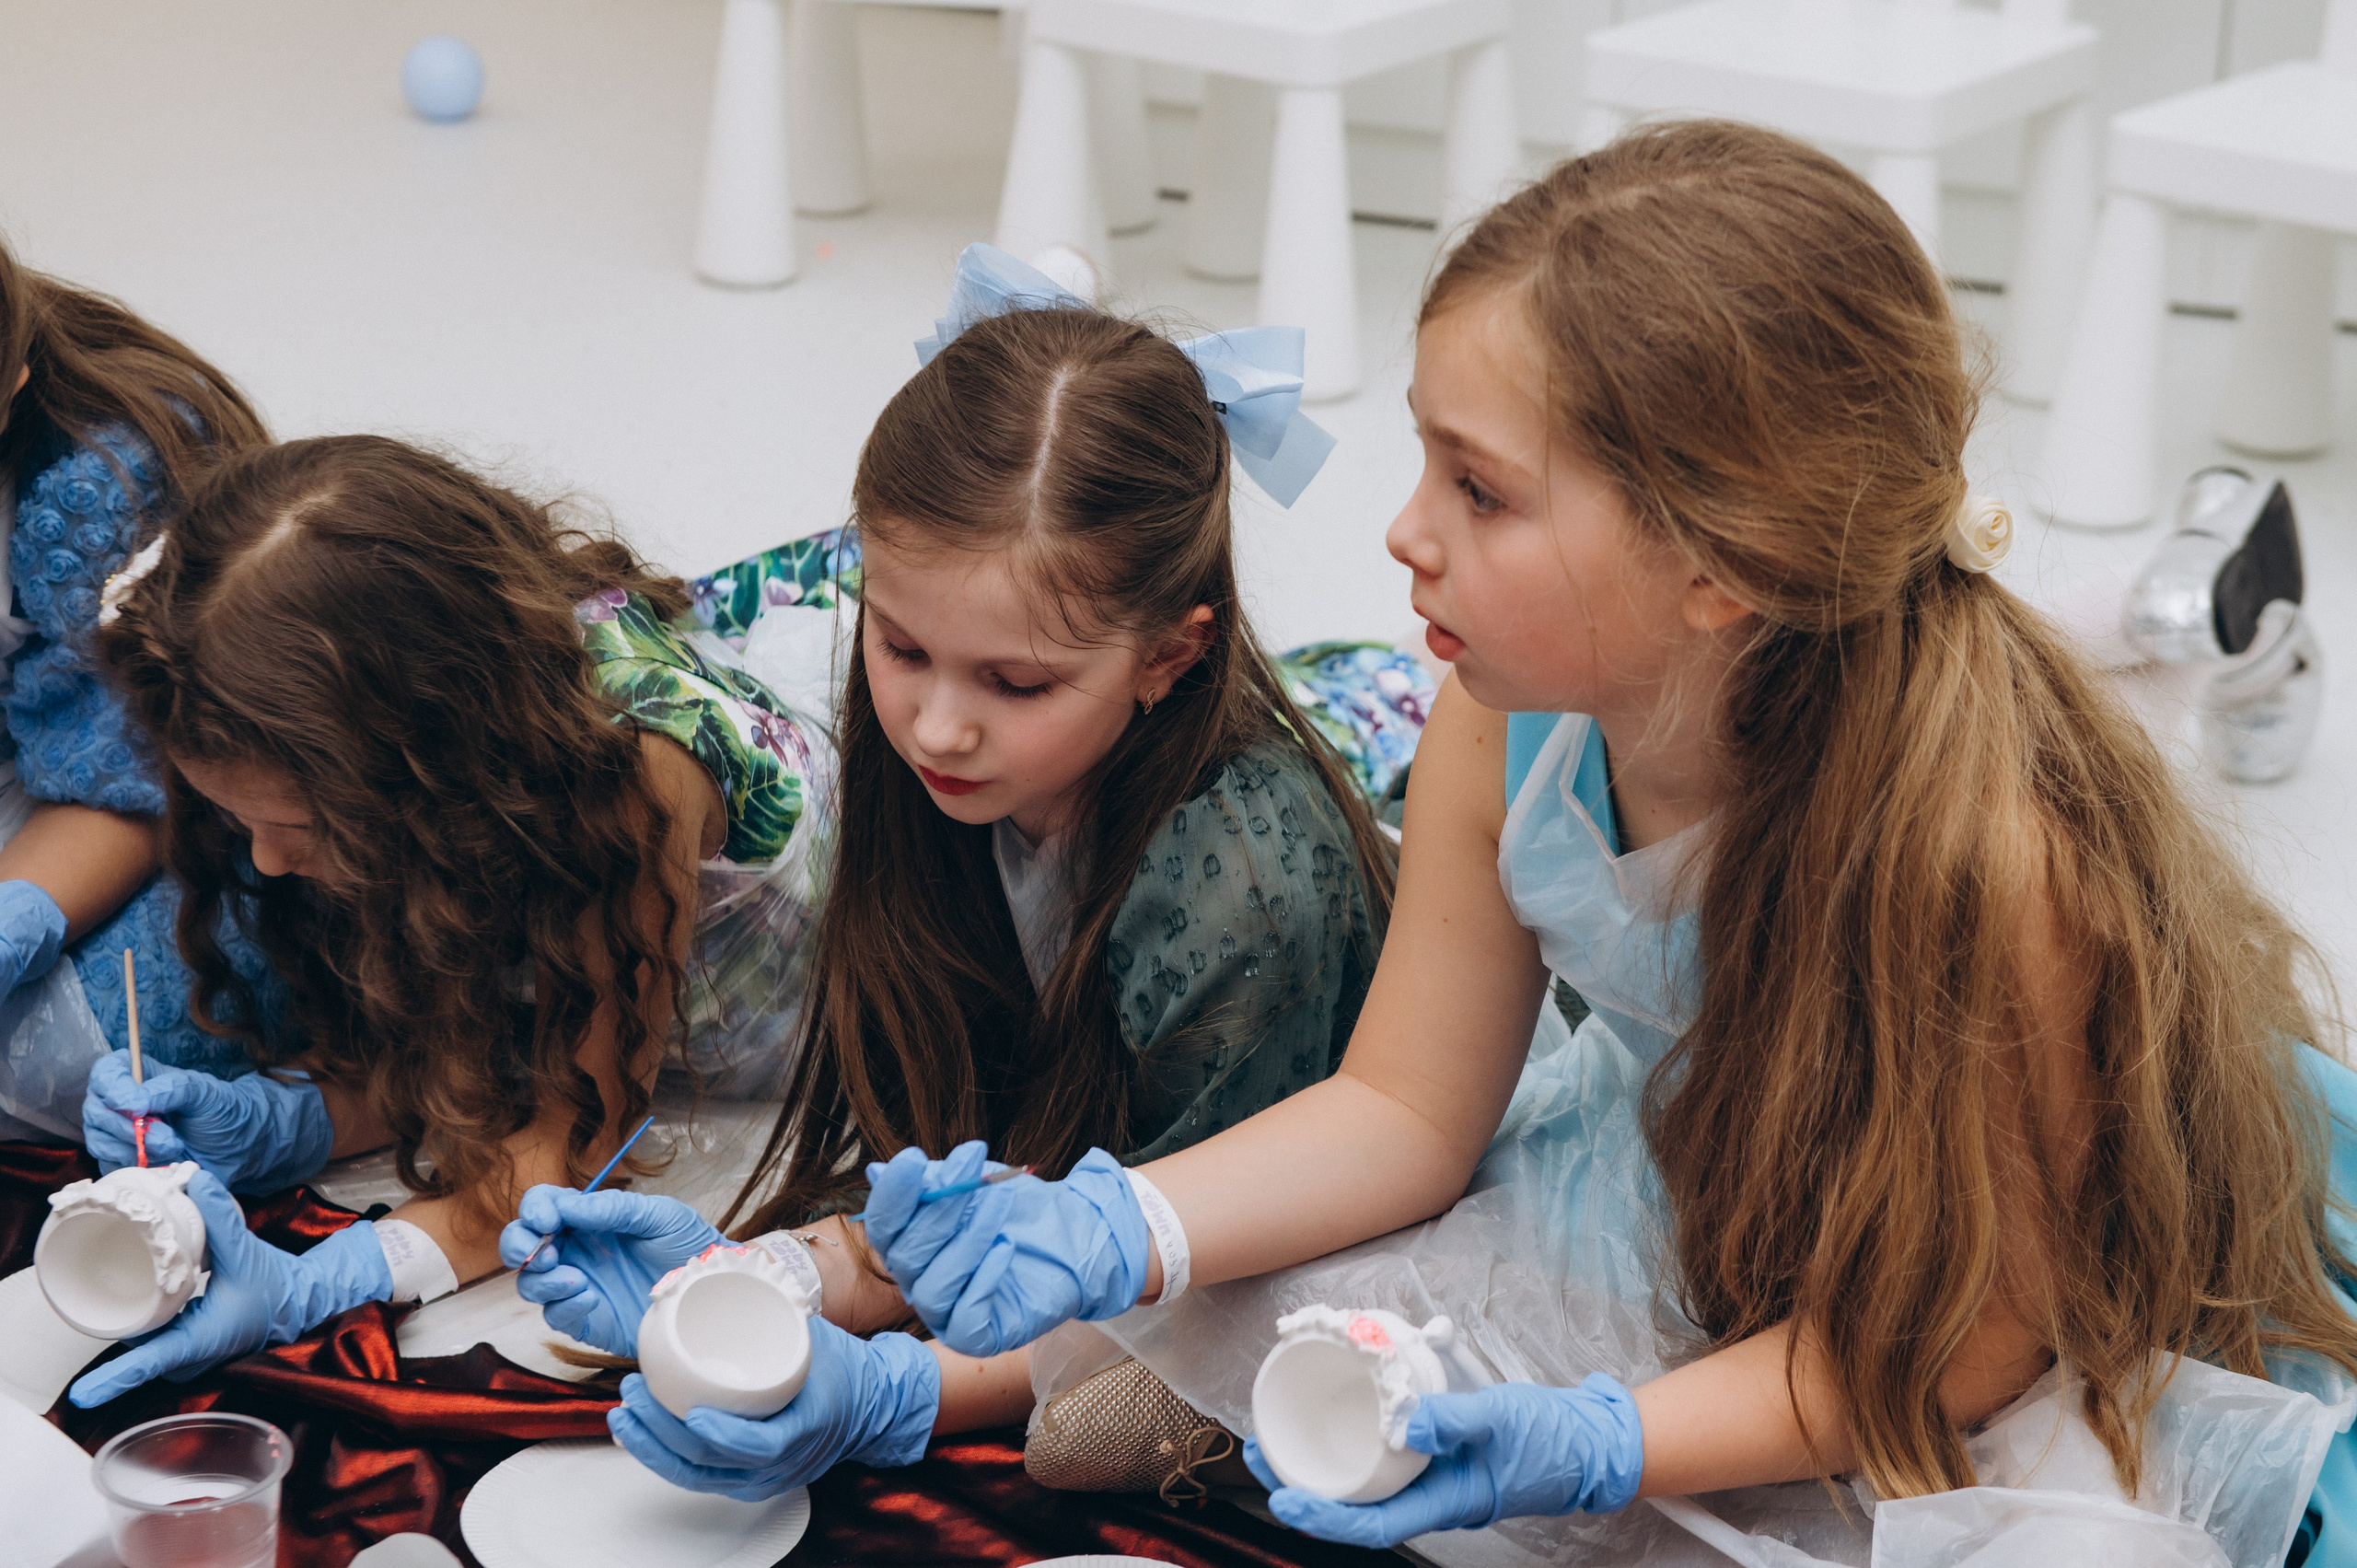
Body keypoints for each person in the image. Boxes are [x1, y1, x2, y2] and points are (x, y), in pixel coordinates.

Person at [647, 124, 2357, 1563]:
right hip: (1656, 1186)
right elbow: (1402, 1110)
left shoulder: (1981, 863)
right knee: (1180, 1371)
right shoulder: (1504, 708)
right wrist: (1120, 1231)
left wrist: (1605, 1441)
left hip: (1933, 1306)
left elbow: (1965, 1340)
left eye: (1478, 488)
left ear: (1717, 563)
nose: (1399, 531)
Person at [495, 247, 1420, 1495]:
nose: (934, 724)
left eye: (1017, 683)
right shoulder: (956, 736)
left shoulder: (1242, 894)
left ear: (1169, 654)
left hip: (1259, 1216)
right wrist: (763, 1271)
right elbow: (1003, 1164)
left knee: (1091, 1441)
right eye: (900, 642)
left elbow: (1191, 1281)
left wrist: (901, 1392)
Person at [66, 435, 837, 1406]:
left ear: (428, 765)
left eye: (297, 826)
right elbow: (476, 1027)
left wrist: (331, 1277)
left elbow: (576, 1146)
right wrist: (298, 1115)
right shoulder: (420, 765)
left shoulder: (633, 783)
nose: (263, 861)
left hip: (783, 994)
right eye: (236, 819)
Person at [0, 236, 275, 1144]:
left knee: (68, 1062)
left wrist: (16, 917)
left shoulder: (102, 487)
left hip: (175, 809)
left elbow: (146, 782)